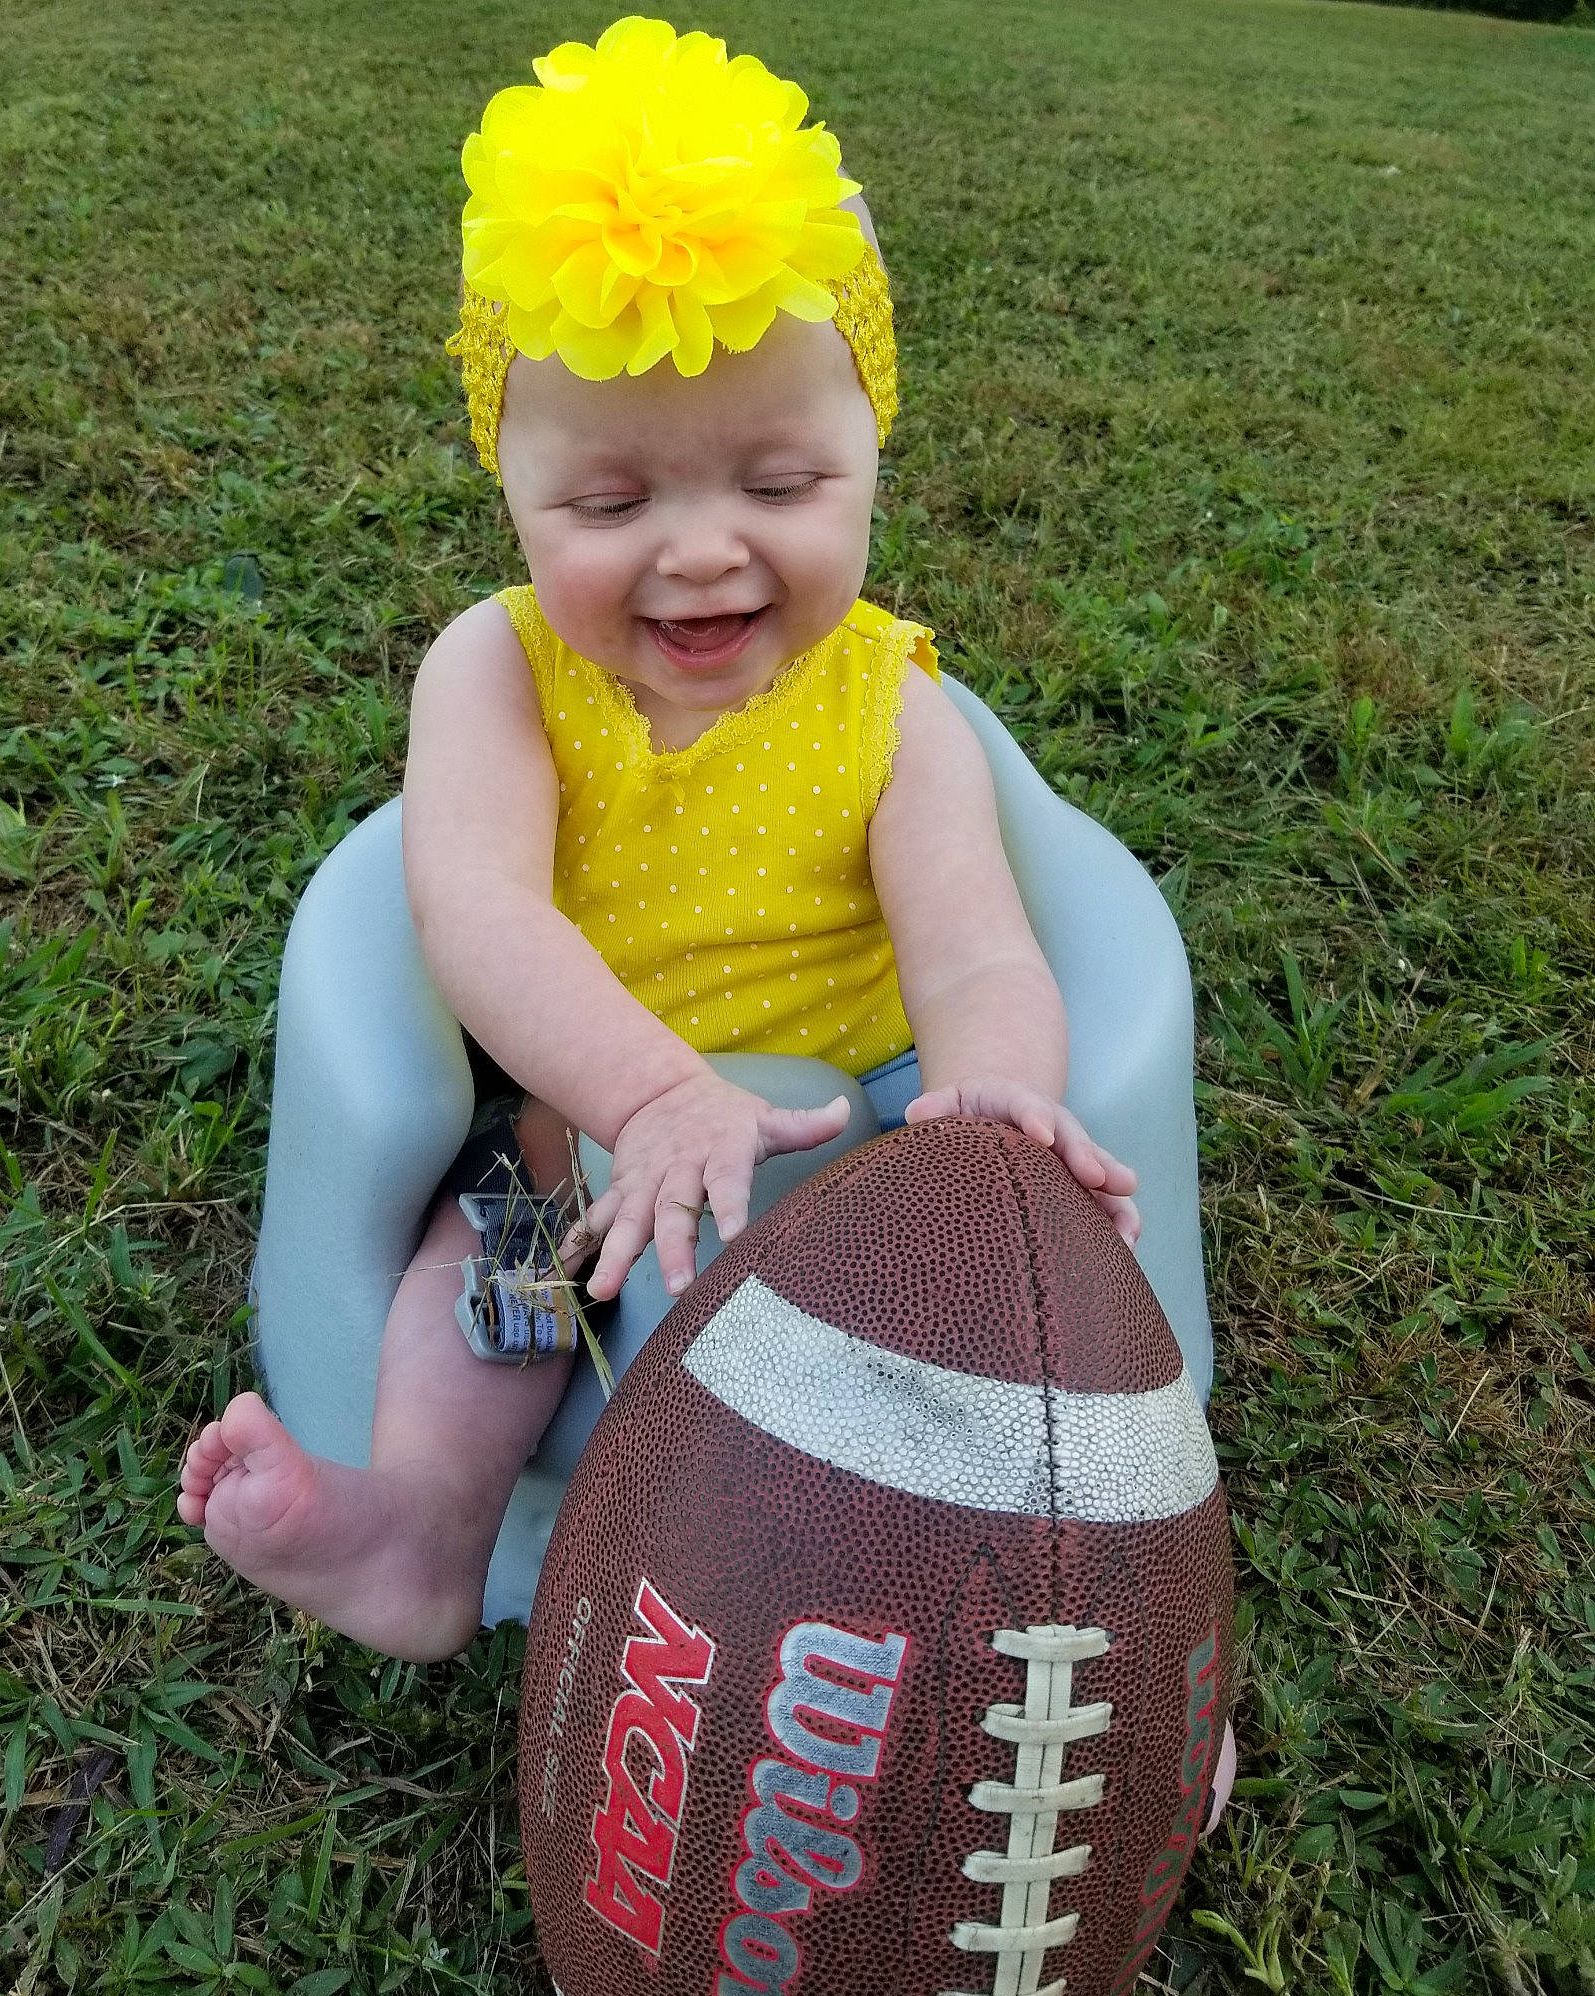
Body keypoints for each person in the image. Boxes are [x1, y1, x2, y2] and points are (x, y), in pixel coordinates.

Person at [177, 15, 1139, 1663]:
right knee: (491, 1269)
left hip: (861, 1117)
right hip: (582, 1107)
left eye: (779, 484)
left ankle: (1093, 1622)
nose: (700, 555)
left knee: (1018, 1340)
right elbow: (476, 914)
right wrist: (638, 1093)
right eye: (611, 508)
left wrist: (992, 1103)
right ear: (513, 490)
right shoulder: (496, 672)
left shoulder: (890, 705)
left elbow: (976, 945)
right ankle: (420, 1534)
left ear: (868, 457)